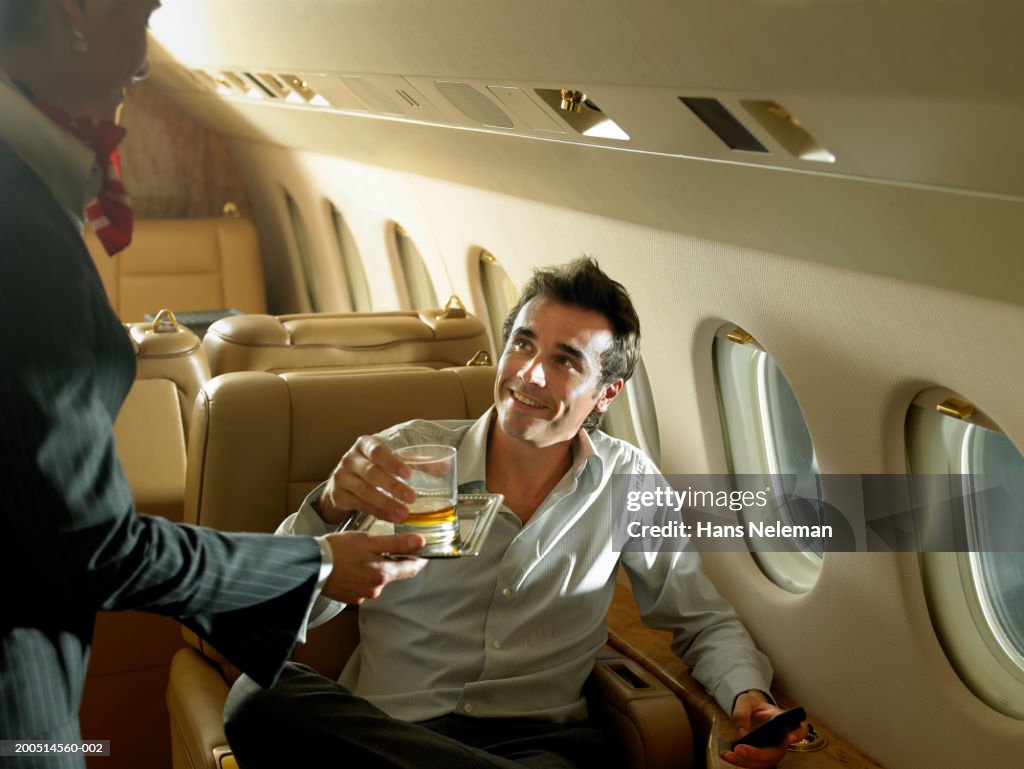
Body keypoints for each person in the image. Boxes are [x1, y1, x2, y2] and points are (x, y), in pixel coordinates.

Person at [0, 2, 425, 764]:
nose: (144, 57)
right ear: (78, 14)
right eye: (145, 11)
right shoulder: (19, 221)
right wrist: (322, 561)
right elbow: (95, 547)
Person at [225, 258, 808, 769]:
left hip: (535, 748)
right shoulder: (410, 457)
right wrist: (330, 510)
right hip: (388, 735)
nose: (530, 375)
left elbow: (701, 620)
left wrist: (746, 696)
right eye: (523, 344)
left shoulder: (628, 483)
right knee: (258, 698)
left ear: (606, 393)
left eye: (565, 361)